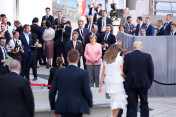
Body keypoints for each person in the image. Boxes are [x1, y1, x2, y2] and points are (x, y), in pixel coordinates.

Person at [49, 49, 93, 117]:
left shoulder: (59, 72)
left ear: (67, 59)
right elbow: (87, 92)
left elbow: (52, 92)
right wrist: (89, 104)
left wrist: (53, 107)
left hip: (62, 106)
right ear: (78, 60)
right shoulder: (83, 73)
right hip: (78, 107)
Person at [123, 41, 154, 117]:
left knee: (131, 103)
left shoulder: (127, 56)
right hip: (143, 83)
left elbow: (125, 70)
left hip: (131, 83)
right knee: (144, 102)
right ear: (141, 47)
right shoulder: (147, 56)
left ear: (134, 47)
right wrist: (149, 82)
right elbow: (151, 71)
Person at [99, 44, 127, 117]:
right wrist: (126, 74)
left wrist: (101, 86)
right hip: (117, 82)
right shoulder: (120, 59)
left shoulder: (106, 59)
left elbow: (103, 73)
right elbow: (122, 73)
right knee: (118, 102)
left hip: (109, 82)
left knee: (113, 101)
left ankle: (113, 115)